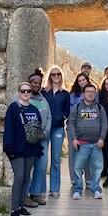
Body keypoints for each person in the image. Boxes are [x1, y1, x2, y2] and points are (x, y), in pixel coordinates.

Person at [3, 82, 44, 216]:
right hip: (17, 149)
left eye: (28, 91)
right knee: (19, 176)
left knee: (27, 177)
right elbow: (9, 128)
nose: (26, 93)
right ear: (19, 92)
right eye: (23, 91)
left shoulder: (34, 109)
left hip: (30, 149)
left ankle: (20, 206)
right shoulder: (13, 108)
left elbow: (38, 129)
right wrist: (9, 148)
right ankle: (14, 209)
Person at [67, 83, 108, 200]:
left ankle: (96, 189)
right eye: (88, 91)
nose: (90, 94)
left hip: (96, 144)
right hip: (81, 144)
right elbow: (71, 124)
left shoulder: (100, 108)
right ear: (84, 94)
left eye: (92, 92)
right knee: (78, 168)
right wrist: (74, 139)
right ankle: (77, 190)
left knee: (97, 168)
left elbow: (104, 124)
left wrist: (102, 138)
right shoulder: (77, 107)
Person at [41, 65, 70, 199]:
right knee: (42, 158)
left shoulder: (65, 93)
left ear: (61, 76)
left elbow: (67, 111)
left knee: (56, 159)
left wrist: (61, 117)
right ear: (49, 76)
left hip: (58, 128)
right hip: (44, 128)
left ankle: (55, 188)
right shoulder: (44, 92)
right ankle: (40, 189)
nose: (56, 76)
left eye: (58, 74)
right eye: (53, 74)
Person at [24, 69, 52, 207]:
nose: (36, 85)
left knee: (41, 166)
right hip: (27, 140)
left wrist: (45, 132)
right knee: (26, 167)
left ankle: (36, 193)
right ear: (29, 83)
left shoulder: (44, 100)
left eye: (39, 83)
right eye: (33, 82)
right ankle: (24, 195)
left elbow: (49, 117)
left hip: (42, 140)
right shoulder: (22, 97)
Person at [68, 72, 91, 187]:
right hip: (73, 127)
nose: (82, 82)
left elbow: (95, 111)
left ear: (87, 81)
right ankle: (75, 179)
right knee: (73, 154)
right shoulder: (72, 94)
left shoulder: (92, 93)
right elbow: (70, 111)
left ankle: (88, 180)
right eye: (80, 80)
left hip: (88, 128)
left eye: (84, 80)